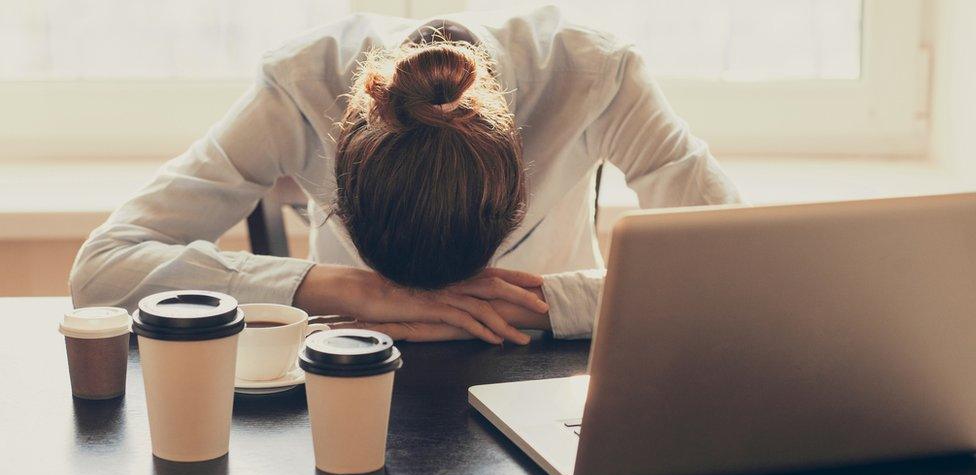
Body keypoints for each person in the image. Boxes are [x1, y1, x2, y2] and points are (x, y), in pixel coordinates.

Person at [70, 6, 741, 344]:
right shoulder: (302, 83)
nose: (442, 301)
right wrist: (349, 290)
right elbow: (103, 267)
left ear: (517, 172)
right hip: (357, 353)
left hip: (545, 365)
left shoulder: (598, 74)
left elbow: (741, 267)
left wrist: (543, 303)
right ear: (342, 165)